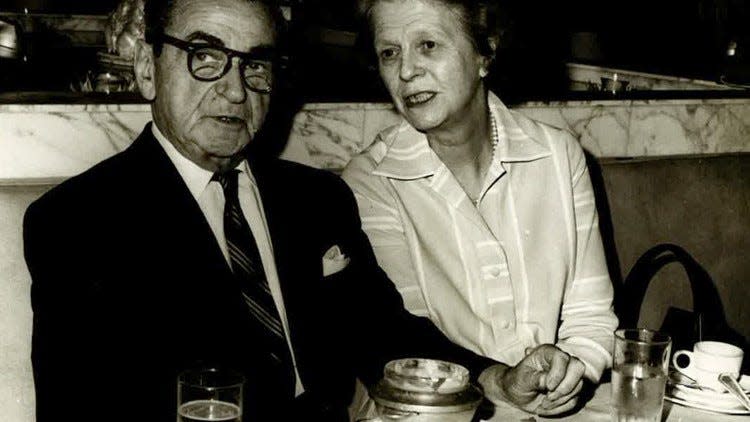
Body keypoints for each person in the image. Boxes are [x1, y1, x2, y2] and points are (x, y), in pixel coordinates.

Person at [343, 0, 619, 415]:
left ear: (484, 53)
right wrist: (505, 386)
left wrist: (568, 373)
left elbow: (591, 314)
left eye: (429, 45)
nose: (405, 71)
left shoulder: (558, 155)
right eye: (389, 52)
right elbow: (405, 344)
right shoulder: (369, 181)